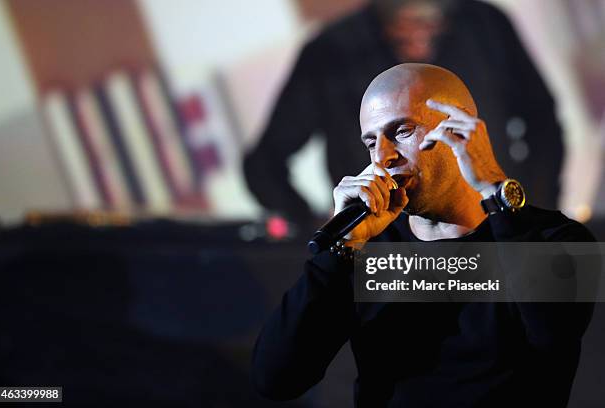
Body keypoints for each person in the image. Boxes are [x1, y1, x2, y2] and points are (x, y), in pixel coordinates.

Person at [251, 64, 595, 407]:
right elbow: (277, 380)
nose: (383, 157)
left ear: (459, 130)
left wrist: (495, 188)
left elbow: (554, 332)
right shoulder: (366, 254)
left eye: (401, 131)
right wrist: (340, 251)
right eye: (372, 143)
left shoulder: (555, 238)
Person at [243, 0, 564, 226]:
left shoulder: (487, 25)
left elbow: (543, 124)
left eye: (430, 28)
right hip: (390, 253)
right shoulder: (328, 51)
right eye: (403, 31)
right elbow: (264, 163)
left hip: (494, 231)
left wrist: (525, 205)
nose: (418, 41)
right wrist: (320, 226)